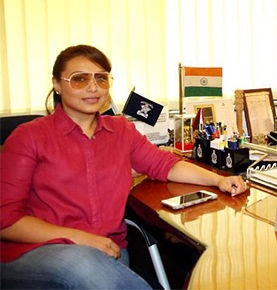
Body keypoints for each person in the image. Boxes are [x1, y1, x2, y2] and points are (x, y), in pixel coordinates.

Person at [0, 44, 248, 289]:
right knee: (81, 264)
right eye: (79, 79)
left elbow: (164, 164)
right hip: (37, 252)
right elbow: (6, 220)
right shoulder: (29, 137)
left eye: (101, 78)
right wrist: (80, 238)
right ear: (56, 83)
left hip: (108, 251)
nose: (93, 87)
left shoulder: (121, 130)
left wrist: (218, 180)